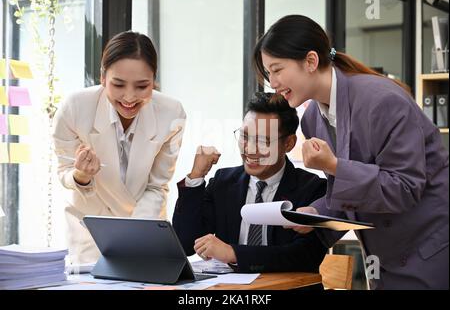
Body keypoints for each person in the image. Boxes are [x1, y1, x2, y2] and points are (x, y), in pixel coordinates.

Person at [253, 15, 449, 289]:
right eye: (268, 73)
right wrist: (315, 213)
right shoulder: (312, 120)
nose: (272, 82)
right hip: (383, 255)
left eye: (277, 70)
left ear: (310, 61)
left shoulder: (383, 100)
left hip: (430, 248)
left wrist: (334, 166)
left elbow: (405, 188)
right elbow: (350, 193)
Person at [53, 31, 186, 263]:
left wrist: (134, 235)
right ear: (103, 77)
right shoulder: (74, 108)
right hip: (91, 232)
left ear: (154, 81)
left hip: (144, 228)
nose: (129, 97)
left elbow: (157, 185)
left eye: (142, 86)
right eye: (118, 84)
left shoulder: (171, 114)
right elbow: (64, 172)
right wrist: (81, 175)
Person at [172, 93, 327, 273]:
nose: (250, 150)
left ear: (289, 143)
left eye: (263, 141)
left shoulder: (312, 189)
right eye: (245, 136)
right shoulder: (224, 182)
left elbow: (305, 256)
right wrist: (196, 176)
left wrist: (234, 254)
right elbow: (185, 243)